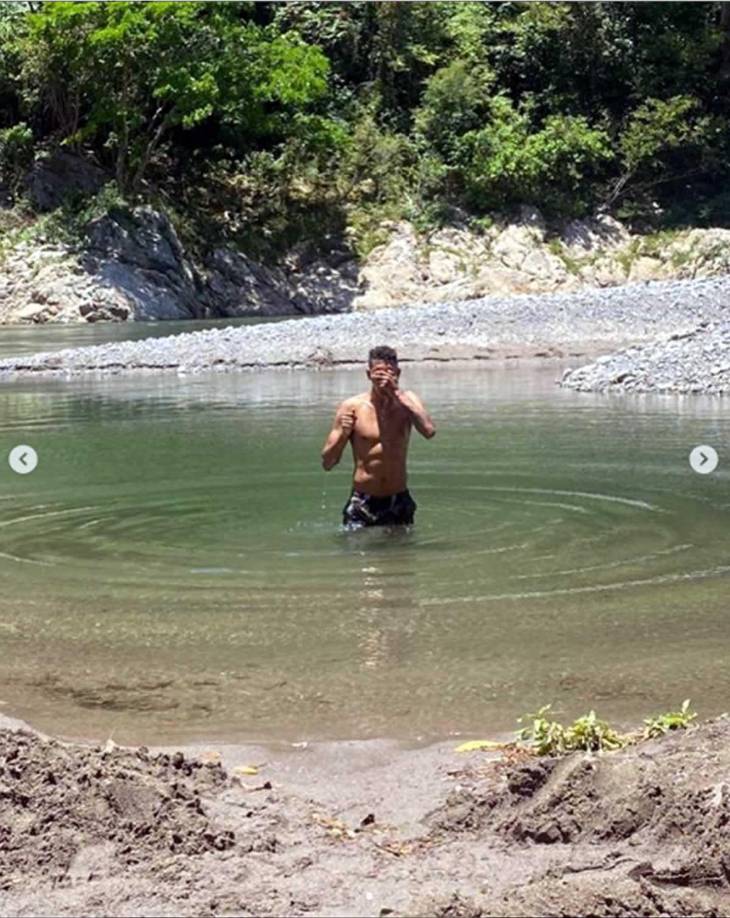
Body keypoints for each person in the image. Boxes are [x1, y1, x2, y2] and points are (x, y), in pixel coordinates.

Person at [321, 345, 436, 528]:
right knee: (357, 553)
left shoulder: (408, 401)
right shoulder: (352, 407)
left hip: (398, 498)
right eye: (379, 373)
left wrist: (396, 393)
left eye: (390, 373)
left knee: (401, 554)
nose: (385, 379)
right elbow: (327, 462)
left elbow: (429, 431)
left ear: (398, 373)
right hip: (363, 500)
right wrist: (343, 434)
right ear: (368, 374)